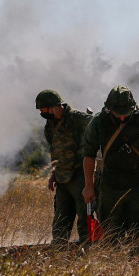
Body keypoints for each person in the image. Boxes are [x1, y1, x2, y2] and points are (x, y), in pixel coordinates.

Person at [81, 86, 139, 239]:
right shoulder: (98, 122)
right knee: (110, 237)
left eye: (126, 114)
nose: (122, 118)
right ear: (109, 108)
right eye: (118, 114)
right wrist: (89, 186)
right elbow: (88, 155)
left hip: (138, 185)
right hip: (109, 186)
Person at [35, 89, 93, 245]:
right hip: (62, 178)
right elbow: (56, 152)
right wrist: (53, 174)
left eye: (43, 109)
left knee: (84, 217)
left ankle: (88, 251)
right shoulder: (50, 126)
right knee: (61, 218)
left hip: (80, 176)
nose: (41, 113)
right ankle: (59, 254)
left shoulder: (77, 118)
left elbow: (96, 129)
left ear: (54, 106)